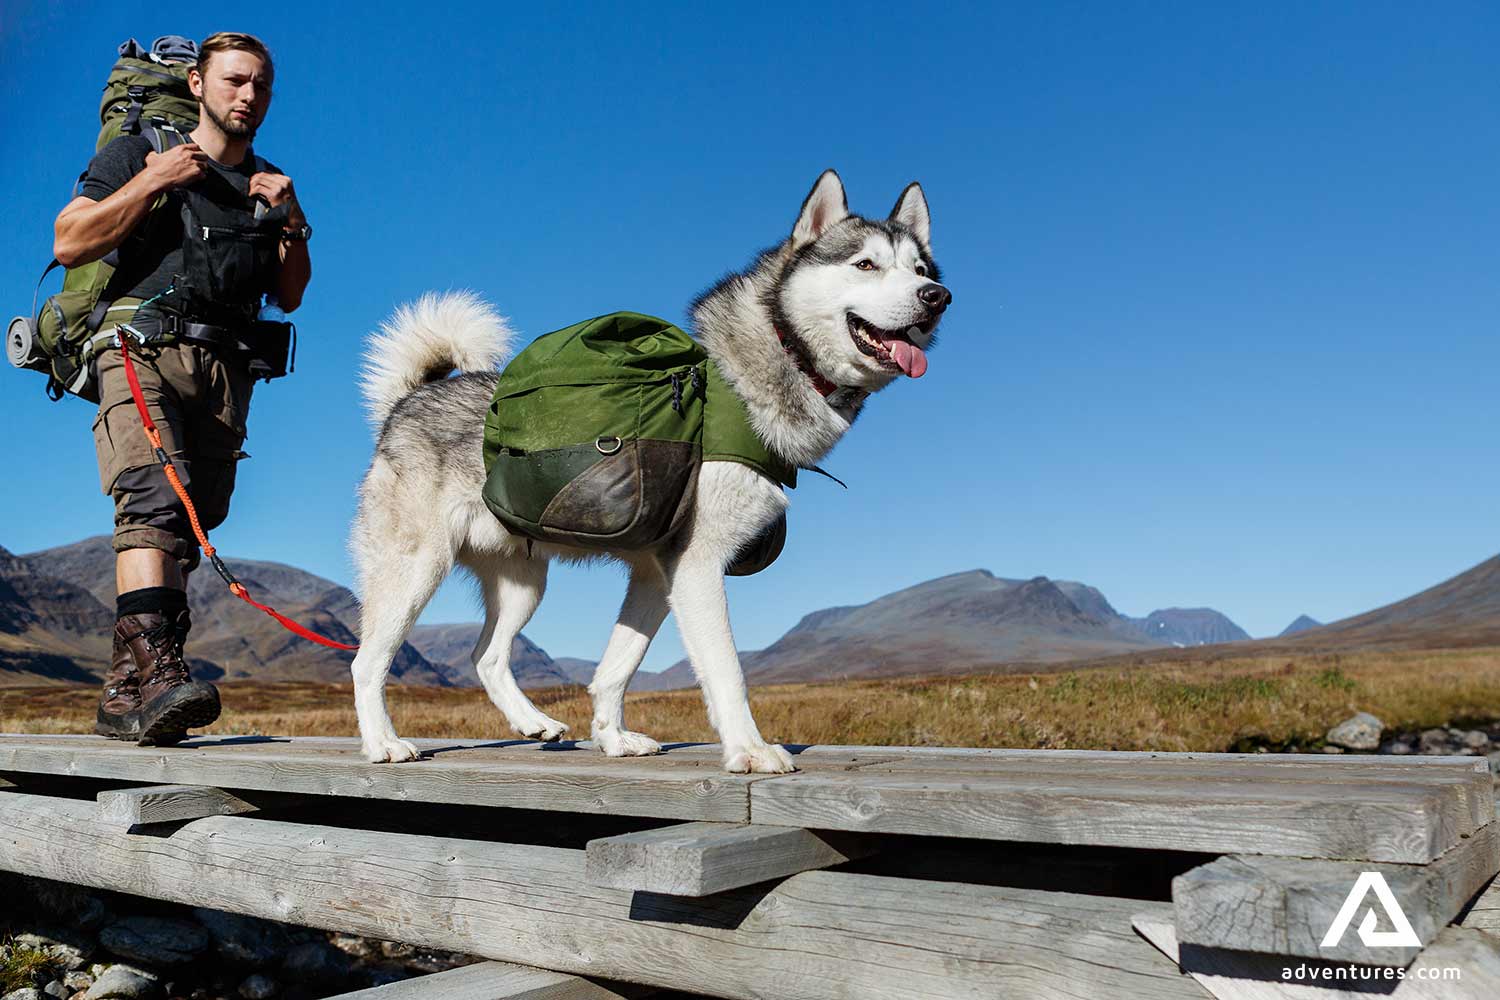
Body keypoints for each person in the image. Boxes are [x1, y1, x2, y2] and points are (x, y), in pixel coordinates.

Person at [51, 32, 311, 745]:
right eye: (234, 80)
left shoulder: (270, 181)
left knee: (195, 525)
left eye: (261, 84)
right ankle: (163, 671)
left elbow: (289, 295)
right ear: (197, 83)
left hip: (224, 373)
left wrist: (292, 220)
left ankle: (122, 692)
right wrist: (153, 180)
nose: (248, 95)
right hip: (137, 351)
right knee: (154, 501)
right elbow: (70, 242)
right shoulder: (141, 151)